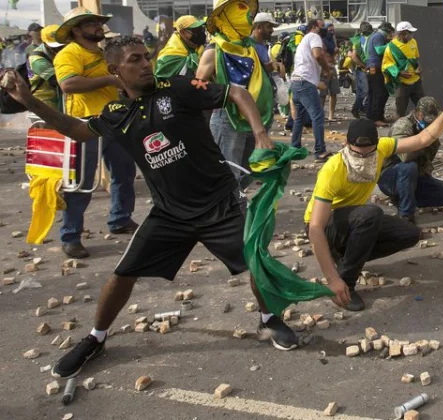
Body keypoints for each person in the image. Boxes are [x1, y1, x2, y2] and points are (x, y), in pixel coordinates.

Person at [2, 36, 303, 378]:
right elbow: (74, 129)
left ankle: (268, 319)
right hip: (170, 213)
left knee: (256, 261)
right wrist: (28, 100)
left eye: (146, 56)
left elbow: (236, 92)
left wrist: (261, 133)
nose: (145, 63)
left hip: (219, 203)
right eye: (135, 59)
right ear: (115, 70)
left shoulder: (179, 86)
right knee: (122, 275)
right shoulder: (116, 113)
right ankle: (96, 338)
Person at [304, 93, 443, 311]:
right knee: (370, 214)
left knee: (410, 234)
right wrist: (332, 280)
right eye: (358, 153)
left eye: (369, 153)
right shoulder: (333, 170)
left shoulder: (383, 148)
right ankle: (346, 282)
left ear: (377, 145)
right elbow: (315, 227)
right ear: (347, 144)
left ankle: (346, 258)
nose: (364, 159)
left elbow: (423, 139)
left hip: (354, 221)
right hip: (327, 227)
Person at [52, 8, 138, 258]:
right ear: (76, 30)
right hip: (84, 123)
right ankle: (71, 235)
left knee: (124, 171)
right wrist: (110, 82)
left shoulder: (101, 53)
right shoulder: (69, 54)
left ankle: (121, 218)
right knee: (81, 182)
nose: (99, 27)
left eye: (99, 22)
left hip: (112, 119)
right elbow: (68, 84)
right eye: (92, 24)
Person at [196, 0, 276, 196]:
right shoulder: (214, 50)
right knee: (228, 172)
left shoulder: (247, 48)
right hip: (228, 118)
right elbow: (198, 87)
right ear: (226, 17)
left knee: (251, 167)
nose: (247, 16)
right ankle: (228, 214)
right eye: (239, 10)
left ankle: (231, 203)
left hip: (255, 117)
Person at [377, 97, 443, 225]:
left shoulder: (430, 122)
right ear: (419, 113)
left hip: (415, 177)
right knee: (409, 167)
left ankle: (405, 198)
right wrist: (425, 139)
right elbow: (406, 156)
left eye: (433, 121)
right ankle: (406, 216)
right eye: (427, 120)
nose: (431, 125)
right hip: (391, 176)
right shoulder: (403, 125)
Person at [290, 19, 333, 160]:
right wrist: (327, 69)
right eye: (322, 27)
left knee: (299, 118)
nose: (325, 29)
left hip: (296, 82)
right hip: (304, 82)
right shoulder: (314, 36)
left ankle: (294, 148)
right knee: (317, 115)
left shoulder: (303, 41)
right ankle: (320, 150)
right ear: (315, 27)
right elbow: (317, 55)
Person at [382, 21, 424, 118]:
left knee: (423, 107)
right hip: (402, 84)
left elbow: (416, 58)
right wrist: (400, 73)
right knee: (400, 111)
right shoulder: (391, 47)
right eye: (410, 33)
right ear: (403, 33)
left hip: (416, 81)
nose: (412, 35)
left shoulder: (413, 42)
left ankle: (423, 129)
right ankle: (399, 130)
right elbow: (386, 65)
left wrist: (418, 67)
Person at [27, 25, 64, 110]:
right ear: (44, 43)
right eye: (55, 46)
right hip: (45, 102)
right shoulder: (37, 60)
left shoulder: (56, 52)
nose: (59, 48)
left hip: (59, 98)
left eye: (61, 45)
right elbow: (58, 80)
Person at [364, 21, 394, 126]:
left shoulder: (374, 35)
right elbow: (379, 51)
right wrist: (391, 43)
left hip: (371, 67)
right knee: (380, 93)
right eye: (390, 33)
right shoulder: (378, 36)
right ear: (387, 30)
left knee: (372, 94)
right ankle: (377, 118)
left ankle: (371, 116)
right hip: (376, 67)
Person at [348, 22, 374, 119]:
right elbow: (354, 57)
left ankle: (361, 108)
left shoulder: (367, 39)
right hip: (361, 69)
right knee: (364, 91)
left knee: (361, 91)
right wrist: (364, 65)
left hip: (364, 68)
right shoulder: (358, 41)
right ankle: (356, 108)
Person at [321, 23, 341, 121]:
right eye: (329, 30)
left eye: (333, 30)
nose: (331, 32)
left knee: (333, 92)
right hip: (324, 67)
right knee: (322, 93)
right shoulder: (321, 40)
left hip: (332, 66)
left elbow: (334, 53)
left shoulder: (332, 40)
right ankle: (321, 114)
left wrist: (335, 52)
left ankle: (331, 115)